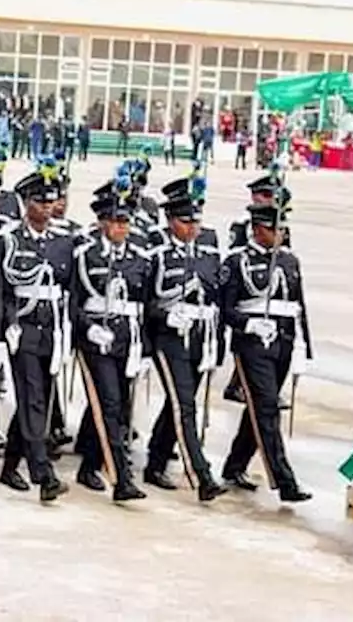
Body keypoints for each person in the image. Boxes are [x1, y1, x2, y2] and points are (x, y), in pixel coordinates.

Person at [217, 200, 314, 502]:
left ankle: (235, 466)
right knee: (268, 407)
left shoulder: (289, 261)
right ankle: (285, 481)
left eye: (284, 228)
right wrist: (249, 325)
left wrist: (303, 346)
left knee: (259, 409)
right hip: (253, 345)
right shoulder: (236, 262)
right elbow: (225, 309)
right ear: (258, 230)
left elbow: (299, 307)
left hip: (283, 342)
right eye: (275, 228)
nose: (282, 233)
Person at [142, 172, 228, 501]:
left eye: (196, 221)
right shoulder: (159, 255)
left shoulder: (208, 254)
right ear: (169, 220)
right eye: (184, 221)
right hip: (169, 339)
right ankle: (201, 475)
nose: (191, 228)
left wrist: (215, 338)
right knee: (185, 406)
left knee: (179, 403)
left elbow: (216, 297)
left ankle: (156, 459)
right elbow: (146, 303)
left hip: (199, 338)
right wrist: (166, 315)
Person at [0, 166, 74, 503]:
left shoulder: (63, 241)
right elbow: (2, 291)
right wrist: (2, 332)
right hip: (21, 329)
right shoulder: (8, 239)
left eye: (51, 201)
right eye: (39, 202)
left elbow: (69, 289)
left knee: (38, 398)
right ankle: (43, 473)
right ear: (26, 203)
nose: (47, 208)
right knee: (33, 398)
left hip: (51, 329)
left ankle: (10, 466)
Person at [71, 172, 149, 503]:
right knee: (110, 404)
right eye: (116, 222)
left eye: (125, 222)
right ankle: (121, 478)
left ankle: (90, 464)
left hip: (125, 338)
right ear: (102, 222)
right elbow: (73, 302)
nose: (122, 228)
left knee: (113, 403)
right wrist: (87, 328)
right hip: (95, 339)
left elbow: (145, 304)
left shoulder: (138, 258)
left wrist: (143, 347)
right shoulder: (86, 256)